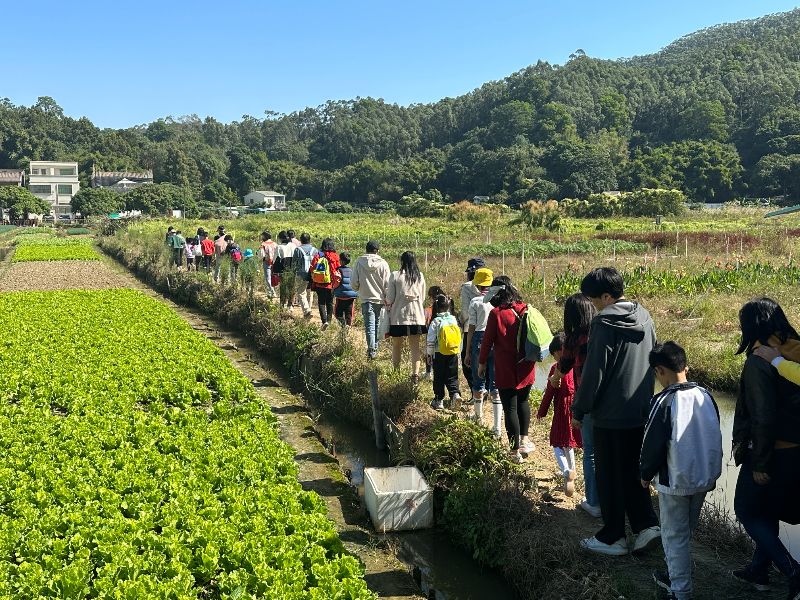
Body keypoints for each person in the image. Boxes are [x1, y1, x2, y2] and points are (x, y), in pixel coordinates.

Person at [572, 267, 660, 557]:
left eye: (595, 299)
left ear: (607, 296)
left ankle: (613, 538)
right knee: (633, 472)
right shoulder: (645, 316)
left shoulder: (604, 323)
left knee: (609, 476)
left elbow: (595, 372)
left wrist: (580, 409)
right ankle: (646, 526)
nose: (594, 305)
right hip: (639, 410)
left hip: (609, 415)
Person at [640, 341, 722, 600]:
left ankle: (680, 591)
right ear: (684, 366)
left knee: (674, 534)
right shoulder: (706, 395)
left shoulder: (664, 400)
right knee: (685, 532)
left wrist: (644, 473)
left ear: (660, 370)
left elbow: (652, 443)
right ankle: (675, 575)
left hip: (675, 479)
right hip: (703, 476)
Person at [731, 298, 800, 598]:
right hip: (796, 450)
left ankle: (792, 569)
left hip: (773, 451)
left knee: (746, 509)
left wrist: (759, 462)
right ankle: (759, 569)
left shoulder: (760, 357)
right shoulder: (795, 348)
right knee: (768, 509)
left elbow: (762, 416)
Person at [551, 293, 600, 518]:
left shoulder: (574, 339)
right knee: (610, 453)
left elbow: (564, 365)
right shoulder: (603, 331)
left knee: (590, 453)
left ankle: (593, 502)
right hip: (611, 401)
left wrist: (555, 378)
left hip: (587, 401)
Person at [478, 278, 536, 464]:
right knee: (523, 402)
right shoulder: (526, 309)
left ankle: (514, 452)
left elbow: (487, 341)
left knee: (509, 407)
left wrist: (481, 363)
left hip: (506, 367)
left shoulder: (497, 314)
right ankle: (525, 440)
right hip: (526, 365)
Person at [537, 333, 582, 497]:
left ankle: (565, 471)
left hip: (562, 410)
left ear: (559, 352)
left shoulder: (556, 368)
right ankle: (574, 471)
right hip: (576, 408)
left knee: (557, 443)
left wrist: (542, 411)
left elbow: (549, 392)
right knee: (569, 443)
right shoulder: (577, 366)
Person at [463, 268, 500, 429]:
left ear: (477, 285)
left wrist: (467, 351)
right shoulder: (498, 300)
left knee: (478, 380)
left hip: (479, 338)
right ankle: (497, 426)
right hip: (496, 341)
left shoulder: (475, 302)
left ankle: (479, 418)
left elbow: (471, 328)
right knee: (495, 383)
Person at [386, 251, 427, 382]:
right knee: (415, 346)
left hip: (399, 316)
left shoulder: (395, 275)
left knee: (397, 345)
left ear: (402, 261)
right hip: (416, 316)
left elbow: (390, 298)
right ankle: (415, 374)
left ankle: (396, 372)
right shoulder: (420, 276)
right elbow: (423, 298)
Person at [351, 240, 391, 359]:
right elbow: (387, 284)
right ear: (377, 251)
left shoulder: (359, 262)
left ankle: (371, 351)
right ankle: (374, 349)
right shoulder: (383, 263)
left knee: (369, 326)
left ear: (366, 249)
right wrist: (386, 297)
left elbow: (354, 283)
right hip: (379, 299)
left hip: (366, 298)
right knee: (377, 324)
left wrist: (359, 288)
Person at [426, 294, 462, 410]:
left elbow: (430, 341)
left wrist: (429, 355)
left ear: (436, 306)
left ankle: (439, 400)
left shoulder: (436, 321)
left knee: (439, 377)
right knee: (452, 376)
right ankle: (455, 394)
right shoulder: (453, 319)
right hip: (453, 353)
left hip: (439, 353)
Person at [460, 257, 485, 391]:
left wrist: (461, 321)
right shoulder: (492, 286)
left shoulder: (466, 287)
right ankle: (486, 389)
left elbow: (465, 312)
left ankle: (475, 392)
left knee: (467, 361)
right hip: (489, 327)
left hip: (471, 328)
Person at [310, 238, 340, 330]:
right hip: (331, 284)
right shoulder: (335, 256)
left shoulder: (318, 255)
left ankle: (324, 322)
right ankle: (329, 321)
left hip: (319, 283)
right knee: (330, 302)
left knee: (321, 302)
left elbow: (312, 268)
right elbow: (338, 269)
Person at [293, 233, 317, 318]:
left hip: (301, 274)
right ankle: (309, 309)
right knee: (310, 292)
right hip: (313, 274)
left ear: (301, 240)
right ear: (309, 240)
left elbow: (294, 263)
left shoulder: (298, 250)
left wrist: (294, 272)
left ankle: (307, 310)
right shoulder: (315, 250)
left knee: (301, 292)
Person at [333, 252, 358, 327]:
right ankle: (348, 326)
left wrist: (333, 289)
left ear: (340, 260)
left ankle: (342, 324)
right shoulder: (352, 270)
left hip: (340, 295)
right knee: (349, 313)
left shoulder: (338, 270)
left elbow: (337, 282)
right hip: (351, 296)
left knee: (337, 313)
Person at [275, 231, 296, 309]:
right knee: (291, 286)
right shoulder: (293, 245)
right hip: (292, 268)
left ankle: (282, 304)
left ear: (280, 238)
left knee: (283, 287)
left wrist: (275, 271)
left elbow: (276, 259)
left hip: (283, 269)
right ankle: (290, 305)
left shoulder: (279, 247)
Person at [258, 231, 278, 298]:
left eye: (262, 236)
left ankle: (272, 292)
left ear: (265, 236)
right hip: (275, 263)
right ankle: (272, 291)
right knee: (274, 277)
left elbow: (261, 255)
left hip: (266, 262)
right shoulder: (275, 244)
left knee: (268, 278)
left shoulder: (263, 244)